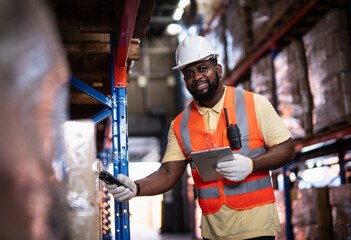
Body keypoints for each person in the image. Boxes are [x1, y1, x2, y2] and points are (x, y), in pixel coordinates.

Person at [105, 36, 295, 240]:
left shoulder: (254, 104)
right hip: (213, 233)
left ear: (218, 70)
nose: (196, 77)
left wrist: (251, 165)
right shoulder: (180, 125)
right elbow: (169, 173)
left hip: (257, 228)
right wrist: (137, 187)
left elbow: (287, 149)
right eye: (189, 73)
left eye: (203, 68)